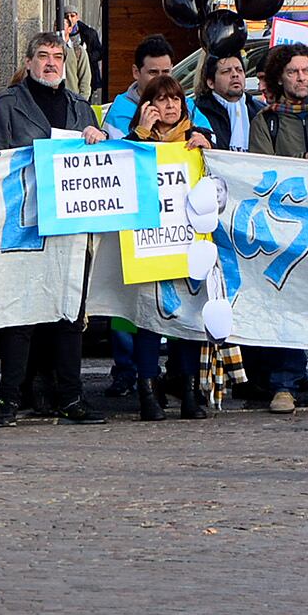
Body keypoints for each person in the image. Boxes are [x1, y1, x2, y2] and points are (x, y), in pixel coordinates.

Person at [0, 32, 108, 426]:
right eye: (43, 56)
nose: (51, 63)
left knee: (70, 314)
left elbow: (99, 167)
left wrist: (98, 139)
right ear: (28, 61)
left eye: (57, 56)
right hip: (24, 225)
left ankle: (71, 396)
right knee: (21, 316)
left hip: (71, 227)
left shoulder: (81, 108)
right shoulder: (7, 106)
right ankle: (8, 398)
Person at [248, 42, 308, 415]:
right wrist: (304, 159)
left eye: (307, 71)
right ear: (280, 77)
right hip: (288, 228)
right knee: (289, 301)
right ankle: (285, 383)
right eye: (293, 72)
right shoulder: (265, 121)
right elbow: (260, 170)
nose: (301, 78)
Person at [124, 74, 211, 422]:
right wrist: (142, 134)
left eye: (175, 98)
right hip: (148, 244)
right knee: (149, 319)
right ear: (148, 105)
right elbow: (120, 167)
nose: (171, 105)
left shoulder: (196, 139)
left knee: (188, 318)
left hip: (188, 243)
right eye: (162, 99)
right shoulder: (134, 140)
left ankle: (189, 391)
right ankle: (147, 392)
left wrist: (207, 147)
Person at [190, 44, 262, 152]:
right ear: (211, 83)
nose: (235, 75)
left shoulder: (260, 111)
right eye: (226, 71)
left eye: (239, 70)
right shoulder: (197, 112)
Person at [102, 35, 176, 139]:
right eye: (153, 72)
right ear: (136, 72)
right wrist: (140, 133)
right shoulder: (120, 110)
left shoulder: (187, 106)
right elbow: (118, 148)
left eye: (165, 72)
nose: (160, 79)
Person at [58, 9, 97, 102]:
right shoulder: (47, 51)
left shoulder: (78, 51)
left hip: (72, 100)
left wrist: (81, 102)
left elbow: (85, 79)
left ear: (69, 29)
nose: (58, 29)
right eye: (56, 26)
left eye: (62, 26)